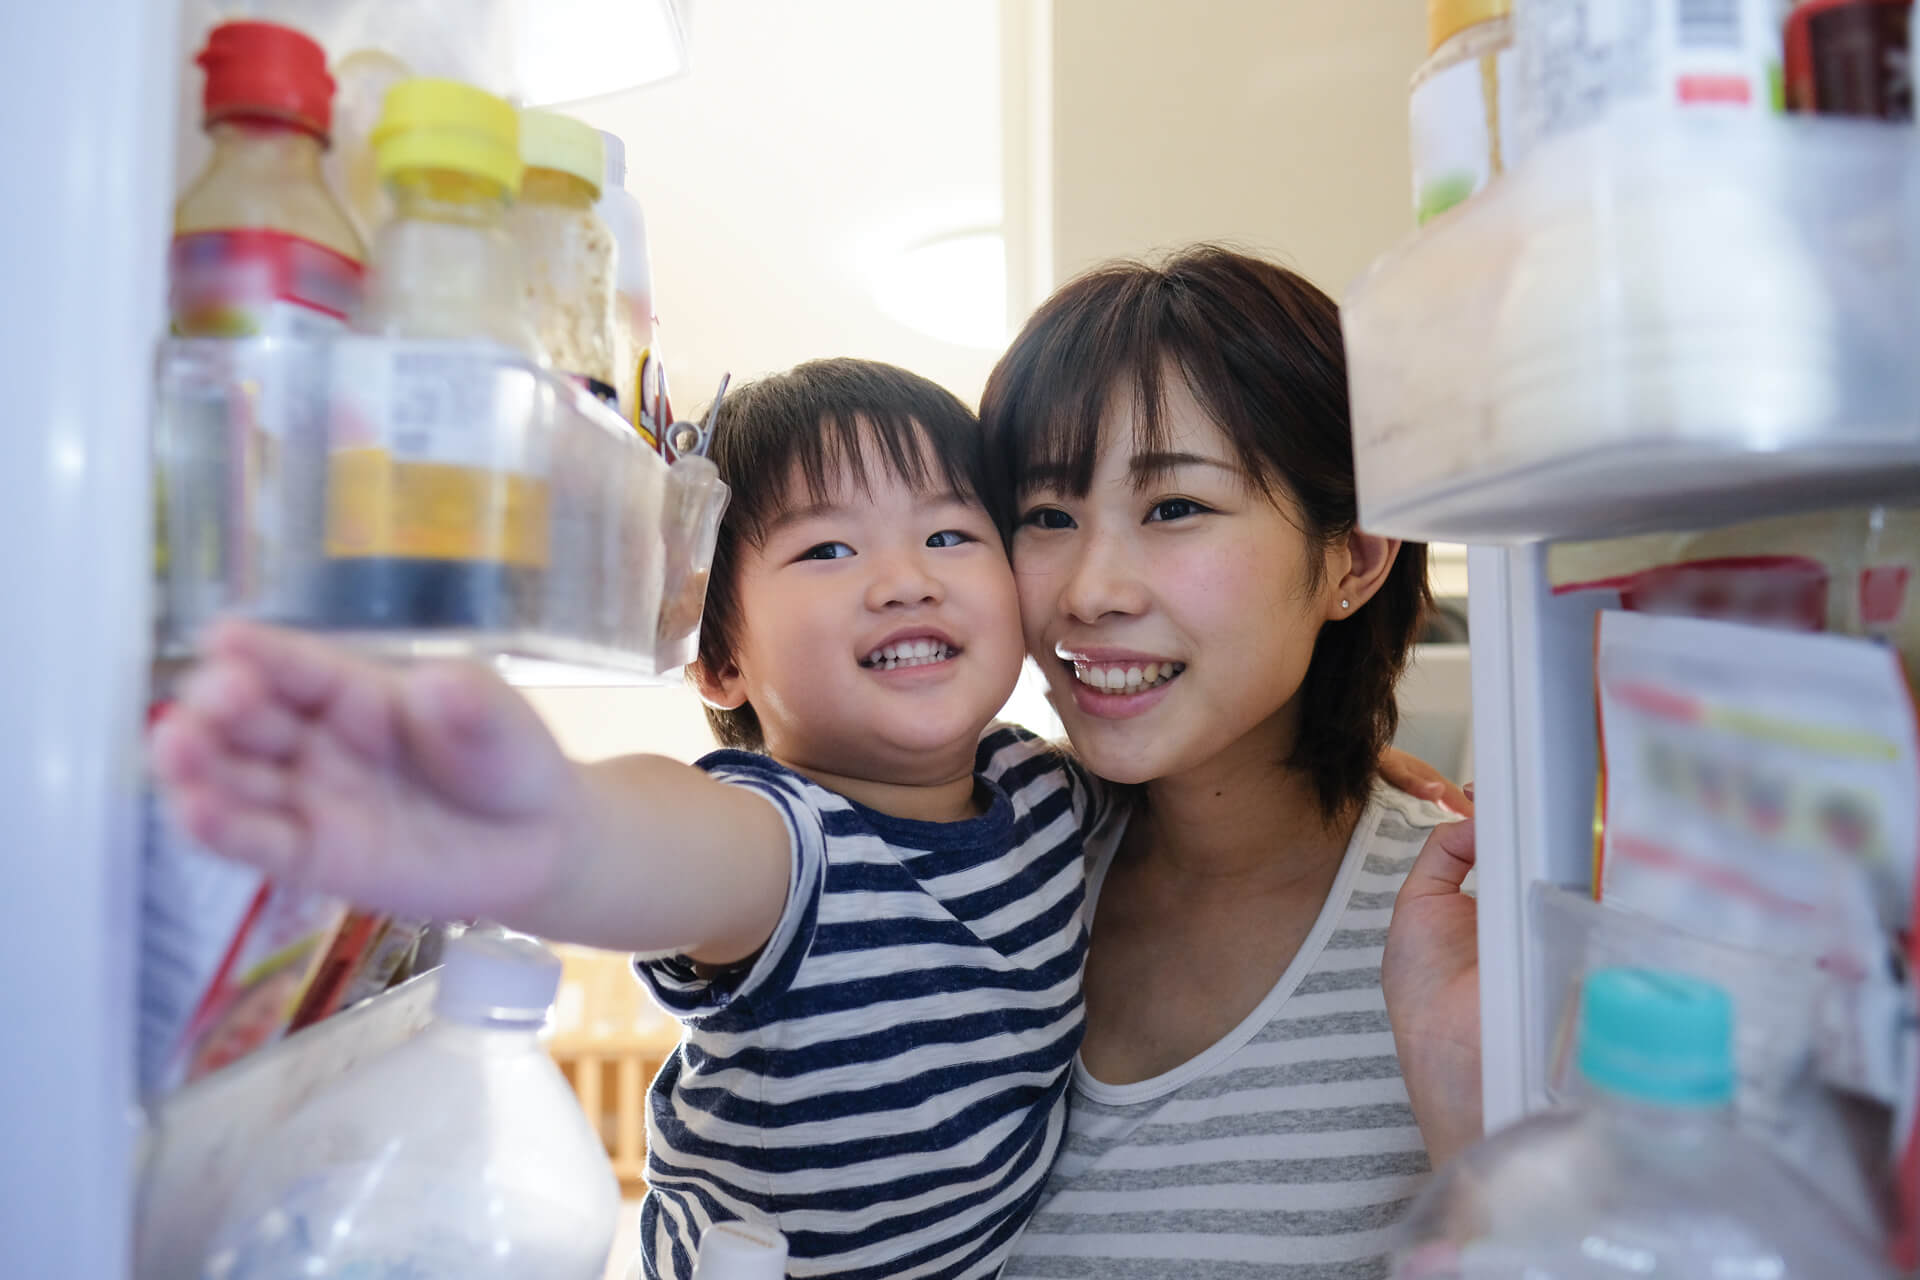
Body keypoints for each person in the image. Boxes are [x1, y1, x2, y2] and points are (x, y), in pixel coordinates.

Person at [152, 353, 1465, 1278]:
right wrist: (541, 828)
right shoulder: (790, 843)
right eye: (827, 552)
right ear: (718, 664)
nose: (901, 579)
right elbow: (664, 846)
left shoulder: (1049, 797)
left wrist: (1370, 763)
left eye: (954, 536)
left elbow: (1247, 762)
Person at [978, 245, 1481, 1278]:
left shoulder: (1459, 927)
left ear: (1355, 556)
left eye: (1174, 509)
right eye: (1046, 515)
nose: (1090, 590)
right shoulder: (996, 854)